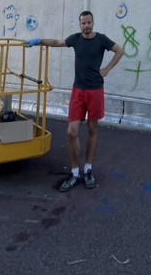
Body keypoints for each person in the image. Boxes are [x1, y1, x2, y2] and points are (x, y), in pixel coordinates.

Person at [27, 11, 123, 192]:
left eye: (89, 22)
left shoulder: (101, 39)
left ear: (93, 23)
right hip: (78, 91)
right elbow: (57, 42)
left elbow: (120, 50)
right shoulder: (75, 39)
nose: (86, 25)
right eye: (83, 23)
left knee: (92, 129)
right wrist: (39, 40)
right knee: (71, 132)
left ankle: (88, 170)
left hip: (95, 90)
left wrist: (108, 69)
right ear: (79, 24)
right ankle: (74, 172)